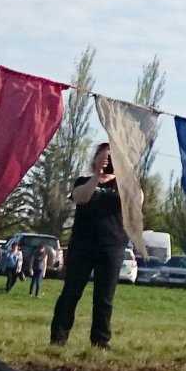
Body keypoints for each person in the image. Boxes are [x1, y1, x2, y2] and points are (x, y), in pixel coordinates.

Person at [50, 142, 139, 349]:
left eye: (111, 158)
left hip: (112, 247)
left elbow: (138, 201)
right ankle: (58, 338)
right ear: (95, 158)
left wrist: (126, 174)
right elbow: (81, 198)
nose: (107, 161)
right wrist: (97, 176)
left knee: (104, 298)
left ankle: (100, 341)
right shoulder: (83, 181)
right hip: (82, 245)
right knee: (71, 293)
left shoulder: (125, 184)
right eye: (104, 156)